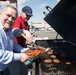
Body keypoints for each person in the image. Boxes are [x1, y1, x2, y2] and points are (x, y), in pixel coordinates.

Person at [0, 5, 31, 75]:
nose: (10, 19)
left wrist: (23, 50)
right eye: (8, 15)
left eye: (13, 18)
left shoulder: (9, 29)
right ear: (0, 14)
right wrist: (19, 56)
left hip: (5, 67)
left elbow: (12, 44)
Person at [12, 6, 33, 75]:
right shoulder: (18, 20)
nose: (28, 17)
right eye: (27, 15)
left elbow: (26, 36)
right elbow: (15, 31)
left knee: (26, 63)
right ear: (22, 13)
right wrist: (25, 31)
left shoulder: (26, 23)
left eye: (29, 16)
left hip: (22, 47)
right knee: (16, 69)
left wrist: (30, 36)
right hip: (15, 50)